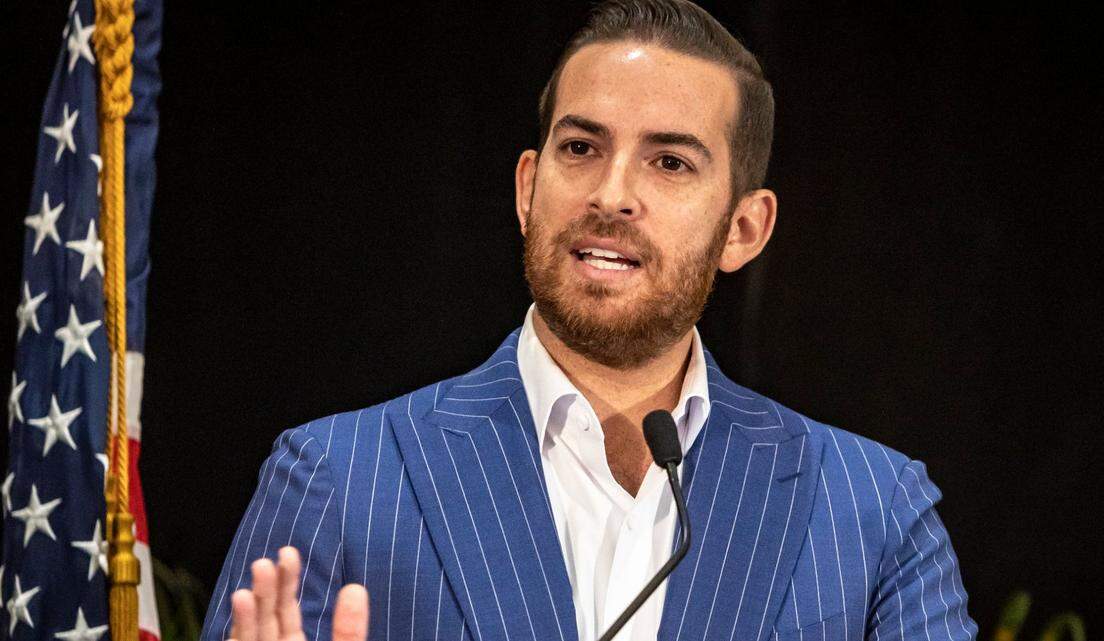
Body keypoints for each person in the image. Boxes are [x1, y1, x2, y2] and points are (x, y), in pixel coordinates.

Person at [202, 1, 978, 640]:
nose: (611, 194)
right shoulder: (339, 474)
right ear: (527, 188)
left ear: (745, 229)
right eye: (581, 147)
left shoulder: (875, 510)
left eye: (669, 161)